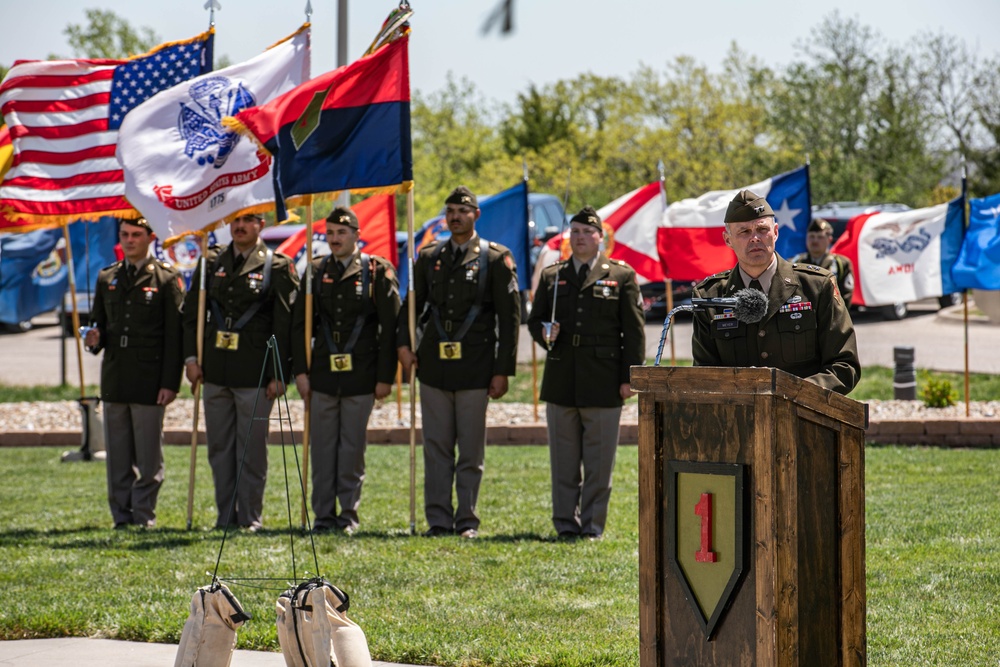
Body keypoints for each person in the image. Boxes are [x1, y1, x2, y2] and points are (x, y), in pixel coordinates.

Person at [397, 186, 520, 539]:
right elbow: (411, 305)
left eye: (462, 211)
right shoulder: (430, 256)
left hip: (476, 368)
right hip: (434, 366)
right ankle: (438, 520)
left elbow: (509, 321)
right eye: (450, 211)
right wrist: (404, 345)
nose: (455, 217)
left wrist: (502, 370)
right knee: (435, 449)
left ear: (475, 215)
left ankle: (466, 520)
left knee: (469, 451)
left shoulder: (495, 258)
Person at [527, 206, 645, 541]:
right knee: (563, 462)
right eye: (575, 232)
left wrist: (629, 377)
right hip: (562, 377)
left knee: (598, 463)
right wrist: (543, 332)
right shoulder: (553, 275)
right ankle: (565, 523)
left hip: (604, 379)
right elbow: (535, 321)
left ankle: (592, 525)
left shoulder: (620, 276)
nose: (580, 238)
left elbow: (633, 332)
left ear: (600, 237)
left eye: (587, 233)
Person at [183, 211, 299, 531]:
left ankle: (249, 517)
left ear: (262, 225)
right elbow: (192, 315)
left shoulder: (276, 266)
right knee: (220, 450)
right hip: (215, 370)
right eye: (235, 221)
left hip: (255, 373)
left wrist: (279, 373)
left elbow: (285, 324)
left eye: (248, 220)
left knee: (251, 450)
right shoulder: (211, 263)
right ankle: (225, 516)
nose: (240, 226)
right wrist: (191, 359)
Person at [291, 206, 400, 535]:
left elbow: (390, 327)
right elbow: (300, 327)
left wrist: (384, 377)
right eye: (331, 232)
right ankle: (323, 515)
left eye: (342, 232)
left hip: (361, 375)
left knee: (351, 449)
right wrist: (301, 372)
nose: (335, 238)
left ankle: (348, 514)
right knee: (322, 450)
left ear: (356, 235)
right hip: (322, 374)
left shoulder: (377, 271)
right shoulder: (314, 271)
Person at [691, 190, 861, 394]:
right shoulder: (710, 297)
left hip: (804, 417)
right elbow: (704, 377)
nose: (755, 238)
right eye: (744, 232)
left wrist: (789, 393)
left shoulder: (816, 286)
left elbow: (844, 366)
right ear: (728, 240)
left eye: (762, 229)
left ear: (776, 232)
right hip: (737, 420)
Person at [85, 218, 184, 529]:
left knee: (148, 457)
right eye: (124, 235)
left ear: (150, 237)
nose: (129, 240)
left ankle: (143, 515)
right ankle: (121, 516)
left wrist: (170, 383)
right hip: (115, 376)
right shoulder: (107, 277)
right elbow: (97, 325)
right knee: (117, 456)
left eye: (136, 235)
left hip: (149, 380)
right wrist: (93, 340)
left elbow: (175, 338)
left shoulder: (166, 279)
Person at [790, 218, 855, 306]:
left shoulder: (841, 264)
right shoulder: (794, 263)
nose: (815, 241)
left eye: (820, 237)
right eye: (811, 236)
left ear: (829, 239)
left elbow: (846, 295)